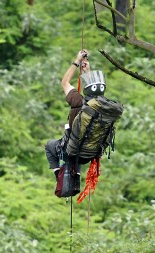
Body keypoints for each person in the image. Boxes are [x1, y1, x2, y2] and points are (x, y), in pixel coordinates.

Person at [45, 49, 107, 191]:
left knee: (49, 146)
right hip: (89, 154)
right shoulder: (103, 107)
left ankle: (59, 175)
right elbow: (93, 91)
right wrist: (87, 71)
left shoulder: (78, 101)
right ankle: (76, 177)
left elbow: (65, 82)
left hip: (71, 150)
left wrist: (77, 62)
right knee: (79, 138)